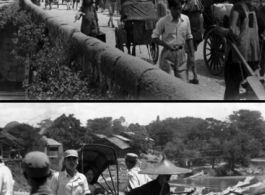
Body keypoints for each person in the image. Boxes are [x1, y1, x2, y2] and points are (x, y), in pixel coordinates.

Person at [216, 0, 261, 100]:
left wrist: (219, 30)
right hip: (253, 57)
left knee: (231, 90)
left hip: (237, 57)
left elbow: (234, 32)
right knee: (251, 91)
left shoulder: (237, 8)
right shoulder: (253, 8)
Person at [152, 0, 195, 82]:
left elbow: (189, 37)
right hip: (168, 56)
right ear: (170, 8)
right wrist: (166, 45)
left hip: (181, 55)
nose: (178, 11)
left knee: (183, 83)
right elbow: (154, 38)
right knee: (169, 83)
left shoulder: (186, 19)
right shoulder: (163, 21)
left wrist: (192, 56)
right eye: (175, 9)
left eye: (180, 8)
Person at [126, 156, 191, 195]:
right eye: (166, 175)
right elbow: (131, 193)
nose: (168, 177)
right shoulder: (150, 187)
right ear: (161, 175)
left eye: (169, 175)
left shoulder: (166, 186)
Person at [182, 0, 204, 84]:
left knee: (191, 56)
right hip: (197, 35)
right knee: (190, 55)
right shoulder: (198, 7)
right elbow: (201, 24)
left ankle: (195, 77)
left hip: (190, 36)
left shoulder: (185, 9)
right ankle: (186, 74)